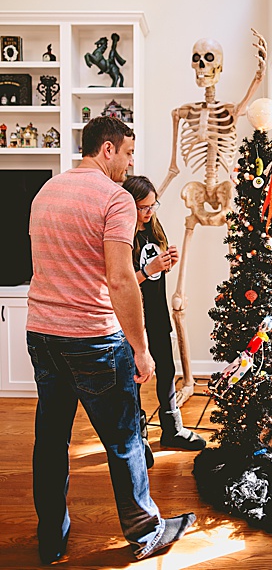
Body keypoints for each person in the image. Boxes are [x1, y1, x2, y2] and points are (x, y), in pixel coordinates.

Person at [27, 117, 195, 564]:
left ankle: (51, 538)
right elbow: (121, 280)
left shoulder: (46, 191)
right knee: (124, 441)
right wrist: (142, 349)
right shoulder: (114, 198)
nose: (129, 163)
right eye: (127, 154)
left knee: (51, 440)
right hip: (92, 340)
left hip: (42, 334)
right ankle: (146, 533)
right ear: (106, 149)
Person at [123, 175, 206, 451]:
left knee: (167, 371)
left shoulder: (152, 228)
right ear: (129, 205)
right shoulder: (121, 235)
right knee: (133, 377)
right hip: (135, 318)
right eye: (144, 207)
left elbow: (155, 269)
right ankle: (138, 437)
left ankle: (172, 429)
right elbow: (120, 282)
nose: (150, 212)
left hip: (157, 314)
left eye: (153, 205)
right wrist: (149, 270)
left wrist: (167, 262)